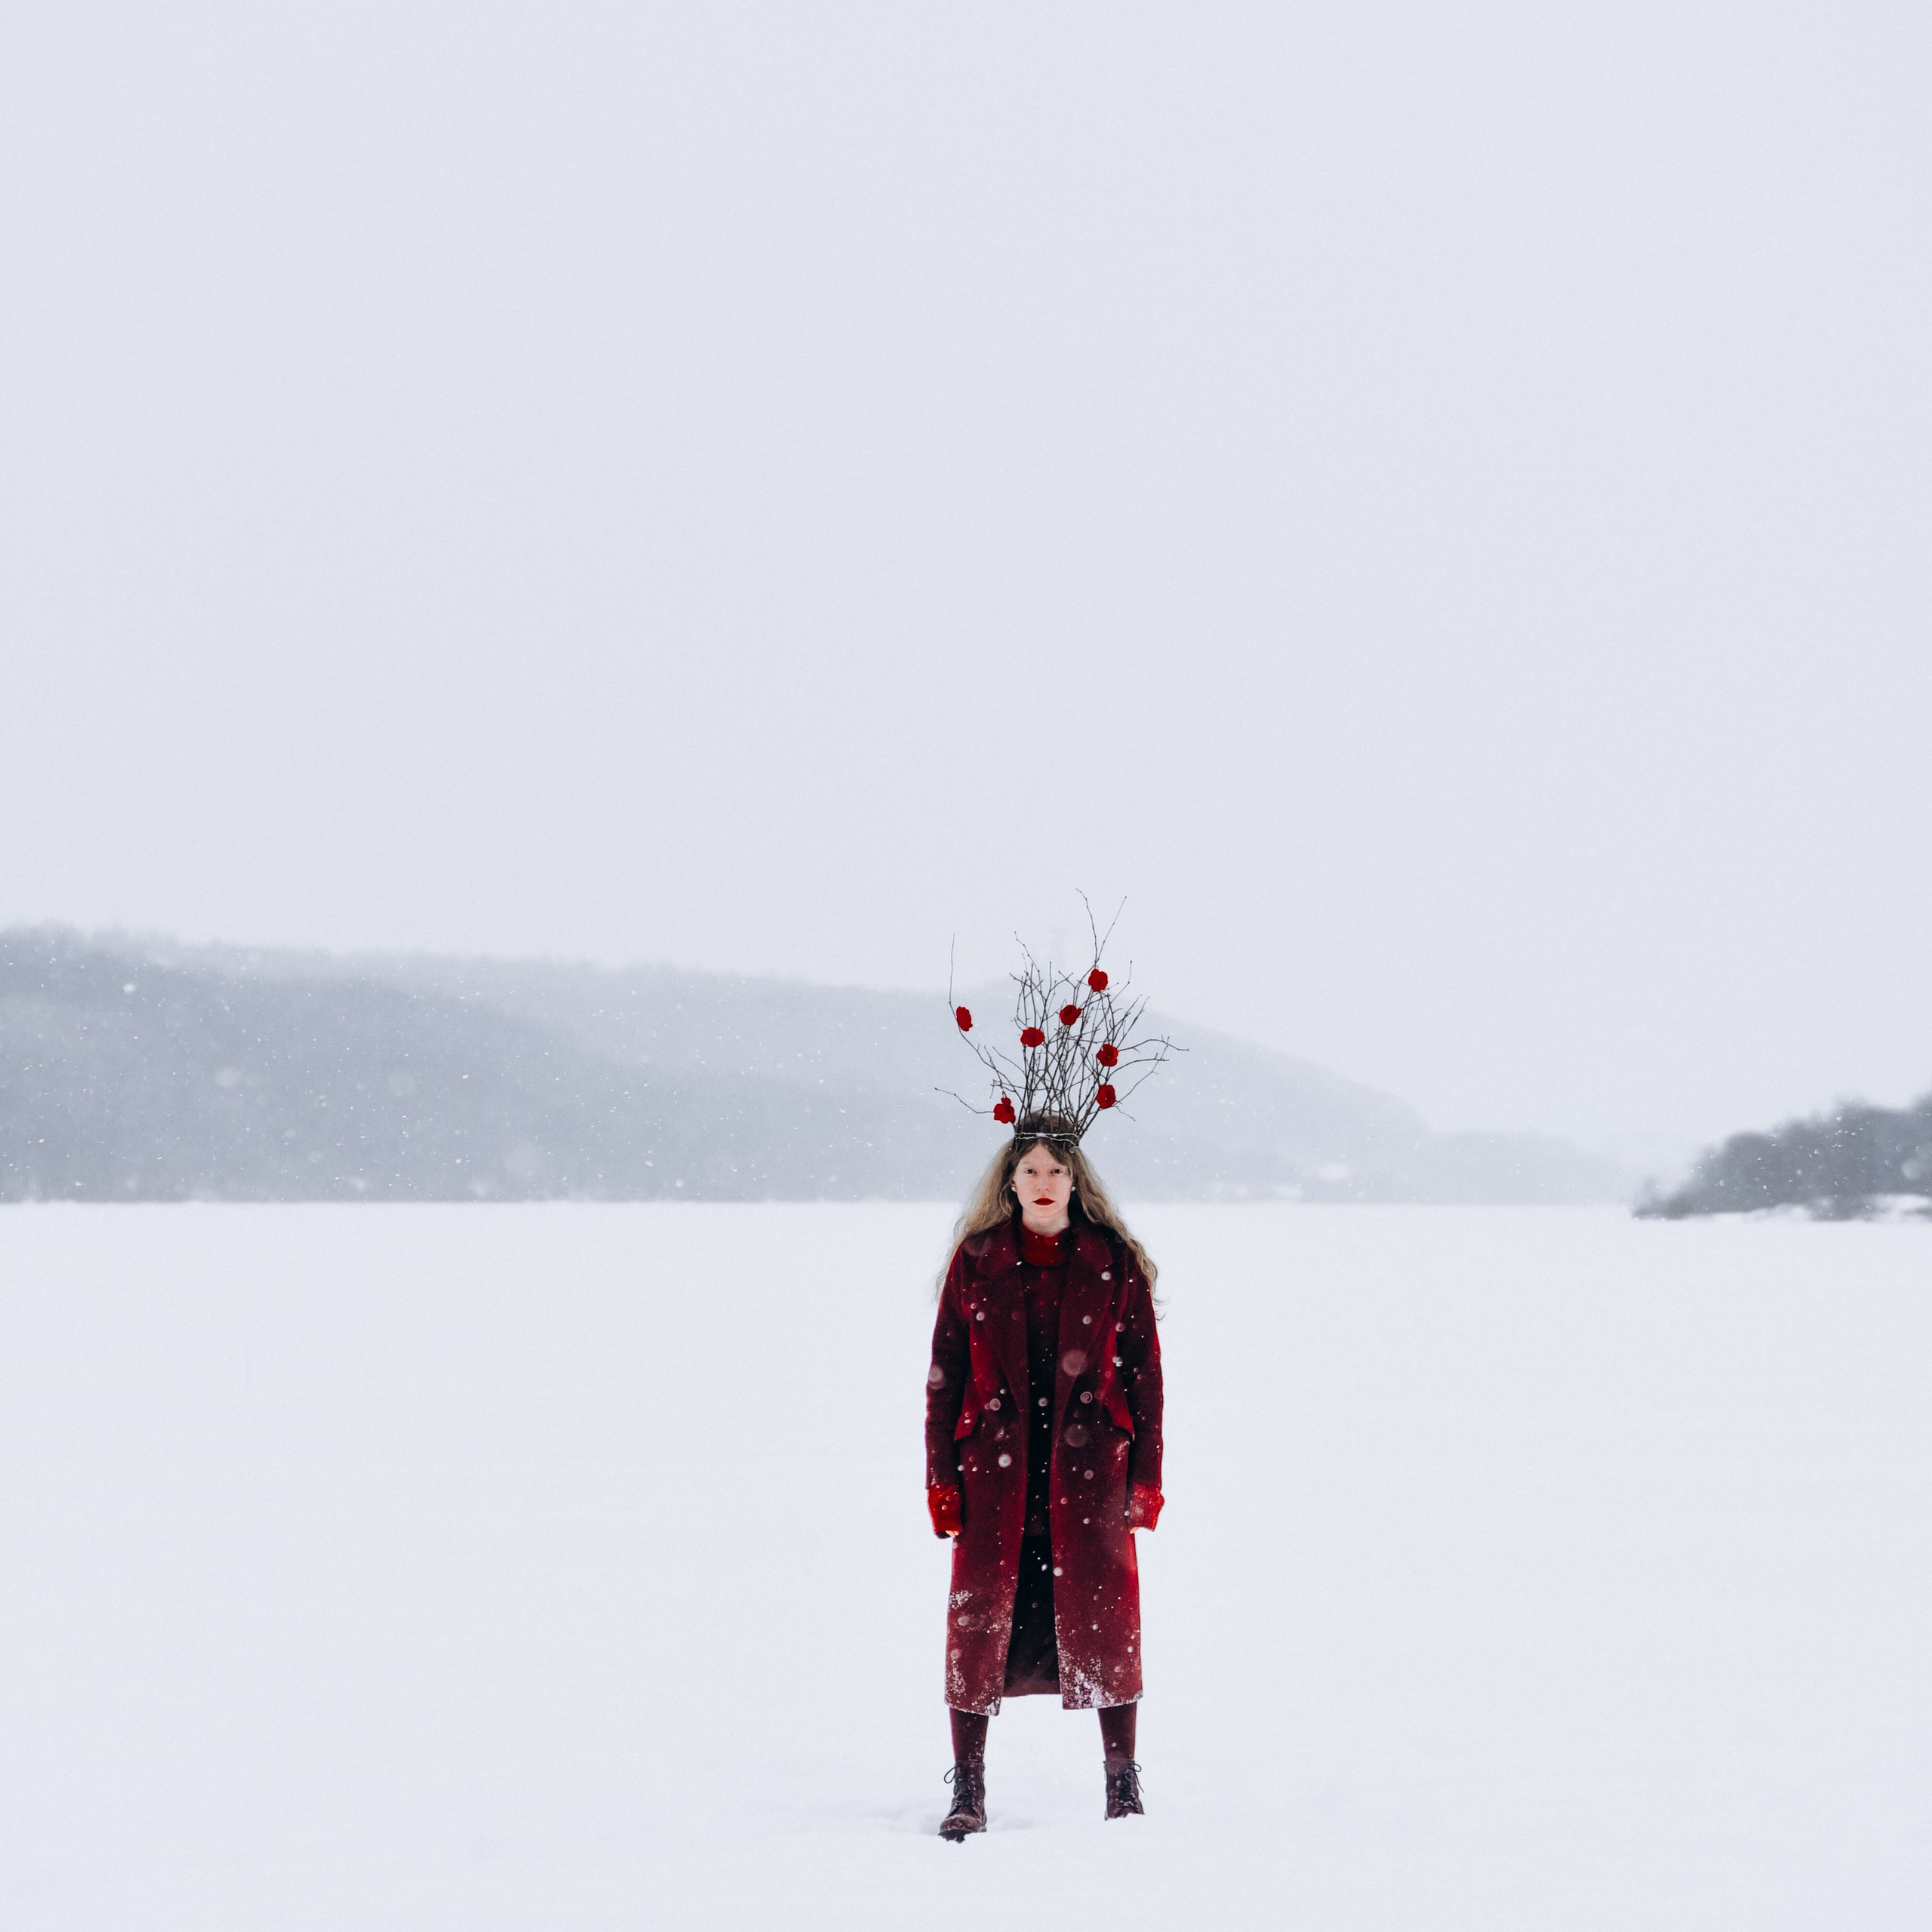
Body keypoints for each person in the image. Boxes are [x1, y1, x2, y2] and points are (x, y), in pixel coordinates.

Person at [924, 1113, 1164, 1840]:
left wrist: (1145, 1479)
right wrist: (941, 1478)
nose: (1043, 1182)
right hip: (995, 1474)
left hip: (1090, 1472)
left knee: (1108, 1627)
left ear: (1075, 1181)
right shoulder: (977, 1259)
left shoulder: (1112, 1259)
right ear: (1010, 1181)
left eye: (1056, 1171)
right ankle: (968, 1786)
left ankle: (1122, 1783)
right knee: (976, 1624)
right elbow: (945, 1378)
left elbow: (1146, 1379)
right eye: (1029, 1170)